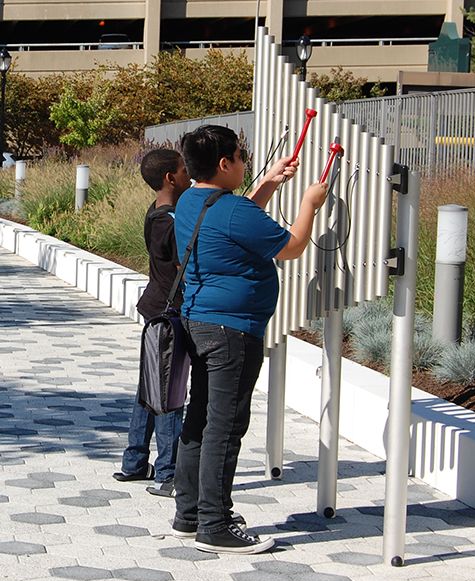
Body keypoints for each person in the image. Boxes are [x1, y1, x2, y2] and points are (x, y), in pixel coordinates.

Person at [171, 125, 328, 554]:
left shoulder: (192, 200)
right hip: (231, 332)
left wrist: (269, 183)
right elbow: (291, 246)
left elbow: (236, 221)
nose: (245, 160)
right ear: (225, 164)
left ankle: (190, 515)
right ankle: (214, 525)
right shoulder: (234, 211)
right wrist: (309, 203)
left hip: (199, 323)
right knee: (225, 425)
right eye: (241, 155)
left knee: (201, 419)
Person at [113, 148, 191, 497]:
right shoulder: (168, 221)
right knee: (168, 393)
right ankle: (169, 474)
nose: (189, 173)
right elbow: (183, 266)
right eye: (184, 169)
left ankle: (134, 462)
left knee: (151, 386)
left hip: (158, 309)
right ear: (170, 178)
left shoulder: (160, 212)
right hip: (167, 314)